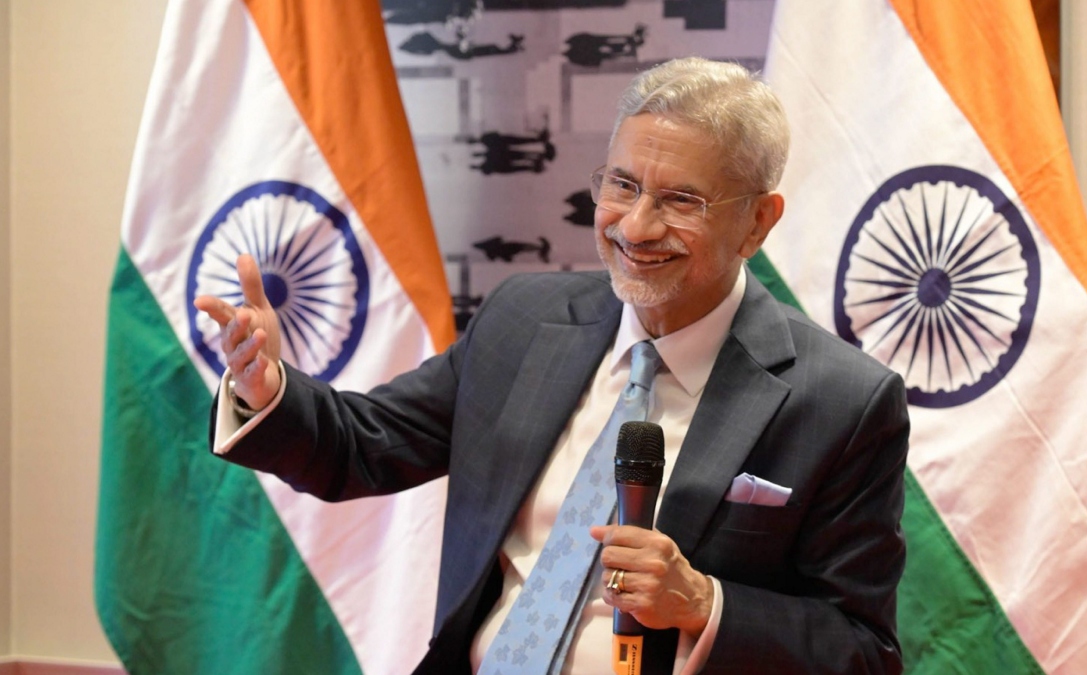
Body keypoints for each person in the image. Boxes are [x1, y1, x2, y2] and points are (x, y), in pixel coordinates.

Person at [196, 57, 909, 674]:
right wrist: (265, 388)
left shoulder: (841, 400)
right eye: (623, 185)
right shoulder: (525, 322)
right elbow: (363, 445)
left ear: (758, 221)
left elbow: (863, 650)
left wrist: (703, 601)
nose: (636, 226)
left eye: (680, 200)